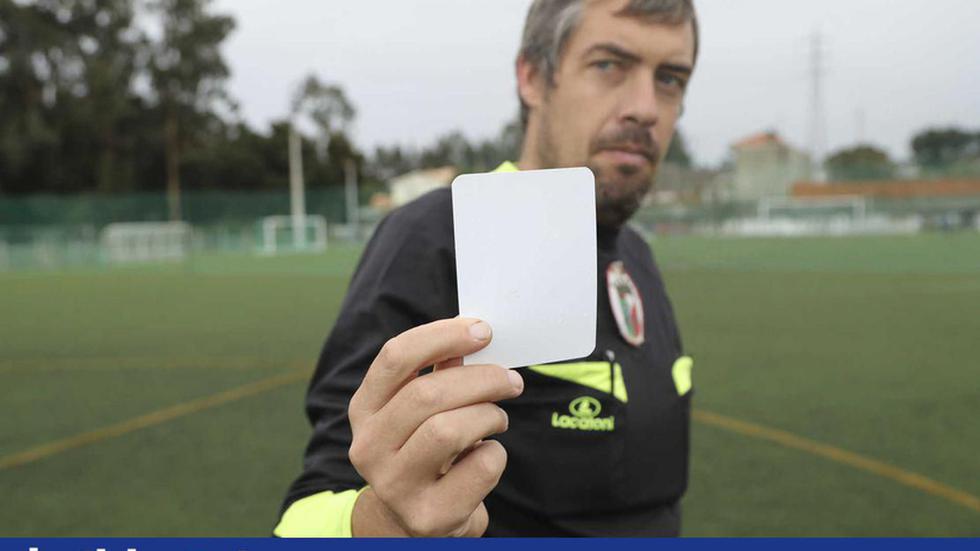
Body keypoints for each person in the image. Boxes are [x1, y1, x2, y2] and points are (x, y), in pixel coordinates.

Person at [274, 0, 698, 537]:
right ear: (532, 78)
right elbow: (305, 514)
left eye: (670, 78)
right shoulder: (437, 238)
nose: (645, 107)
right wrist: (382, 523)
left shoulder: (635, 253)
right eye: (609, 65)